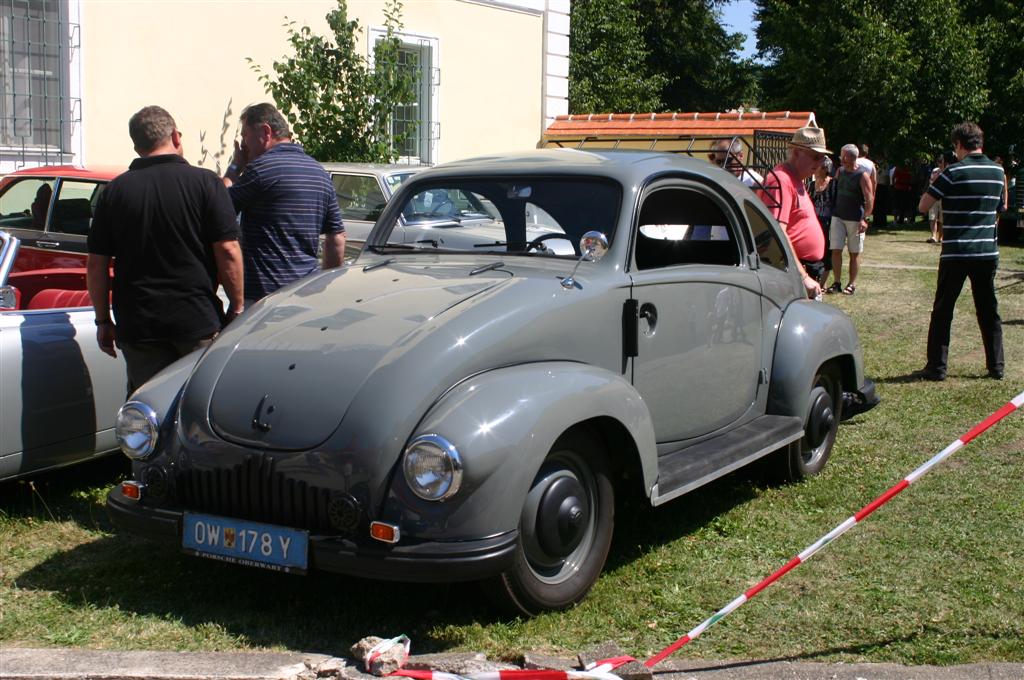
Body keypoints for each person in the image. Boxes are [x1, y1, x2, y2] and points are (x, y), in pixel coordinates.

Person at [87, 105, 244, 394]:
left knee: (149, 411)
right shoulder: (206, 183)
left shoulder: (114, 192)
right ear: (176, 136)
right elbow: (228, 249)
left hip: (138, 324)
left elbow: (96, 265)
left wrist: (102, 320)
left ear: (136, 146)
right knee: (198, 403)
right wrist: (236, 306)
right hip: (195, 319)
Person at [223, 103, 345, 305]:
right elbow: (337, 239)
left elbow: (218, 207)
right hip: (306, 294)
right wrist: (323, 288)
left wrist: (235, 167)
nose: (243, 145)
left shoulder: (260, 170)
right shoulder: (320, 173)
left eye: (245, 136)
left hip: (263, 299)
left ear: (265, 132)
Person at [916, 121, 1004, 381]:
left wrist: (934, 182)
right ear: (980, 142)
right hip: (986, 252)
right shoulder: (998, 172)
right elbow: (998, 208)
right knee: (989, 310)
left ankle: (937, 367)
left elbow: (924, 206)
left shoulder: (952, 172)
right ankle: (996, 366)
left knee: (943, 310)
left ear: (958, 145)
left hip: (956, 252)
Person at [757, 125, 828, 298]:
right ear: (796, 153)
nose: (819, 163)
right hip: (793, 273)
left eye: (822, 158)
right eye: (815, 157)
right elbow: (775, 232)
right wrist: (802, 276)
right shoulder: (781, 180)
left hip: (802, 269)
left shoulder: (794, 179)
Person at [826, 144, 874, 295]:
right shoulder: (840, 171)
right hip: (838, 216)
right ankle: (837, 282)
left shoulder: (862, 175)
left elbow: (869, 198)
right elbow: (833, 189)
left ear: (849, 157)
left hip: (855, 219)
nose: (840, 158)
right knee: (836, 249)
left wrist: (865, 219)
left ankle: (852, 284)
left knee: (854, 252)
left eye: (842, 155)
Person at [811, 155, 837, 284]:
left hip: (829, 223)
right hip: (814, 224)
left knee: (827, 252)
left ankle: (823, 282)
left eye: (818, 167)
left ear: (825, 169)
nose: (814, 169)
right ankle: (816, 278)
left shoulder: (833, 184)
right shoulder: (810, 185)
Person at [926, 154, 949, 244]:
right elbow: (931, 182)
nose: (939, 164)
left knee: (942, 218)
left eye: (941, 162)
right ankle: (933, 236)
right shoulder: (935, 170)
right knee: (932, 216)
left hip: (943, 197)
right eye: (938, 162)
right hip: (934, 196)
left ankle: (941, 237)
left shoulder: (948, 171)